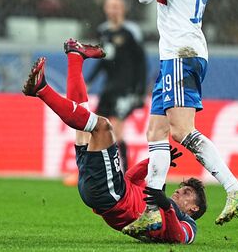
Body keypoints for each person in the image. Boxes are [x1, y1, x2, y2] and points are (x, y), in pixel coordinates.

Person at [120, 0, 238, 235]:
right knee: (156, 133)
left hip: (180, 54)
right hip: (186, 54)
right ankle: (152, 210)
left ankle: (234, 187)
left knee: (180, 131)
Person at [22, 39, 206, 244]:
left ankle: (41, 90)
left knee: (103, 127)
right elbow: (131, 178)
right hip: (107, 191)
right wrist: (151, 164)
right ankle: (75, 57)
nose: (179, 191)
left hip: (112, 196)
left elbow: (177, 238)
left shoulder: (188, 224)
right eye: (182, 188)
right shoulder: (156, 198)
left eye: (187, 192)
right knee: (83, 129)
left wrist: (166, 207)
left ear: (194, 208)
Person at [89, 0, 147, 172]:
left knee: (116, 131)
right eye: (110, 6)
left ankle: (125, 172)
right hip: (109, 88)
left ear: (122, 9)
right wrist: (89, 80)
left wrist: (140, 90)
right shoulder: (103, 32)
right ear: (105, 9)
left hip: (125, 88)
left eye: (116, 6)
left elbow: (141, 61)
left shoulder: (131, 32)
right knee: (97, 129)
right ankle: (96, 170)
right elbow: (103, 60)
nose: (112, 10)